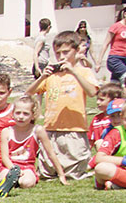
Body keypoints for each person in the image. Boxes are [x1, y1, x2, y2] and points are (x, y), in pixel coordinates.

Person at [26, 31, 98, 180]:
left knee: (74, 169)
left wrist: (74, 72)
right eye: (58, 53)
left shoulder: (83, 71)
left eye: (66, 52)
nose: (61, 56)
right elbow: (29, 92)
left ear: (77, 50)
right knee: (48, 170)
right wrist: (43, 77)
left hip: (75, 127)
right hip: (52, 127)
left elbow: (92, 92)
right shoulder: (52, 75)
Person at [0, 95, 66, 190]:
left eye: (26, 114)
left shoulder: (37, 130)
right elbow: (4, 157)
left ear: (33, 115)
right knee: (3, 177)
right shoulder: (6, 131)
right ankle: (12, 181)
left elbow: (50, 153)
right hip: (10, 166)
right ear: (12, 113)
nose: (21, 117)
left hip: (27, 166)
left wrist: (61, 174)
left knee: (27, 183)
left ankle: (17, 182)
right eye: (18, 113)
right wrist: (13, 169)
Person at [94, 98, 126, 190]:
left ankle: (122, 183)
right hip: (120, 169)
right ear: (122, 118)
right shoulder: (116, 133)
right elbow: (99, 158)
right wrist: (124, 161)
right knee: (101, 168)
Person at [96, 4, 126, 83]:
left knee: (115, 84)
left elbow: (124, 45)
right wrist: (99, 62)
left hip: (123, 59)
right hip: (114, 59)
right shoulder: (116, 26)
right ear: (125, 14)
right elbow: (105, 44)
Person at [89, 82, 124, 151]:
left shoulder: (121, 119)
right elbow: (90, 139)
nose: (98, 102)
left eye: (102, 100)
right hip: (102, 151)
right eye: (97, 99)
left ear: (114, 100)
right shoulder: (96, 119)